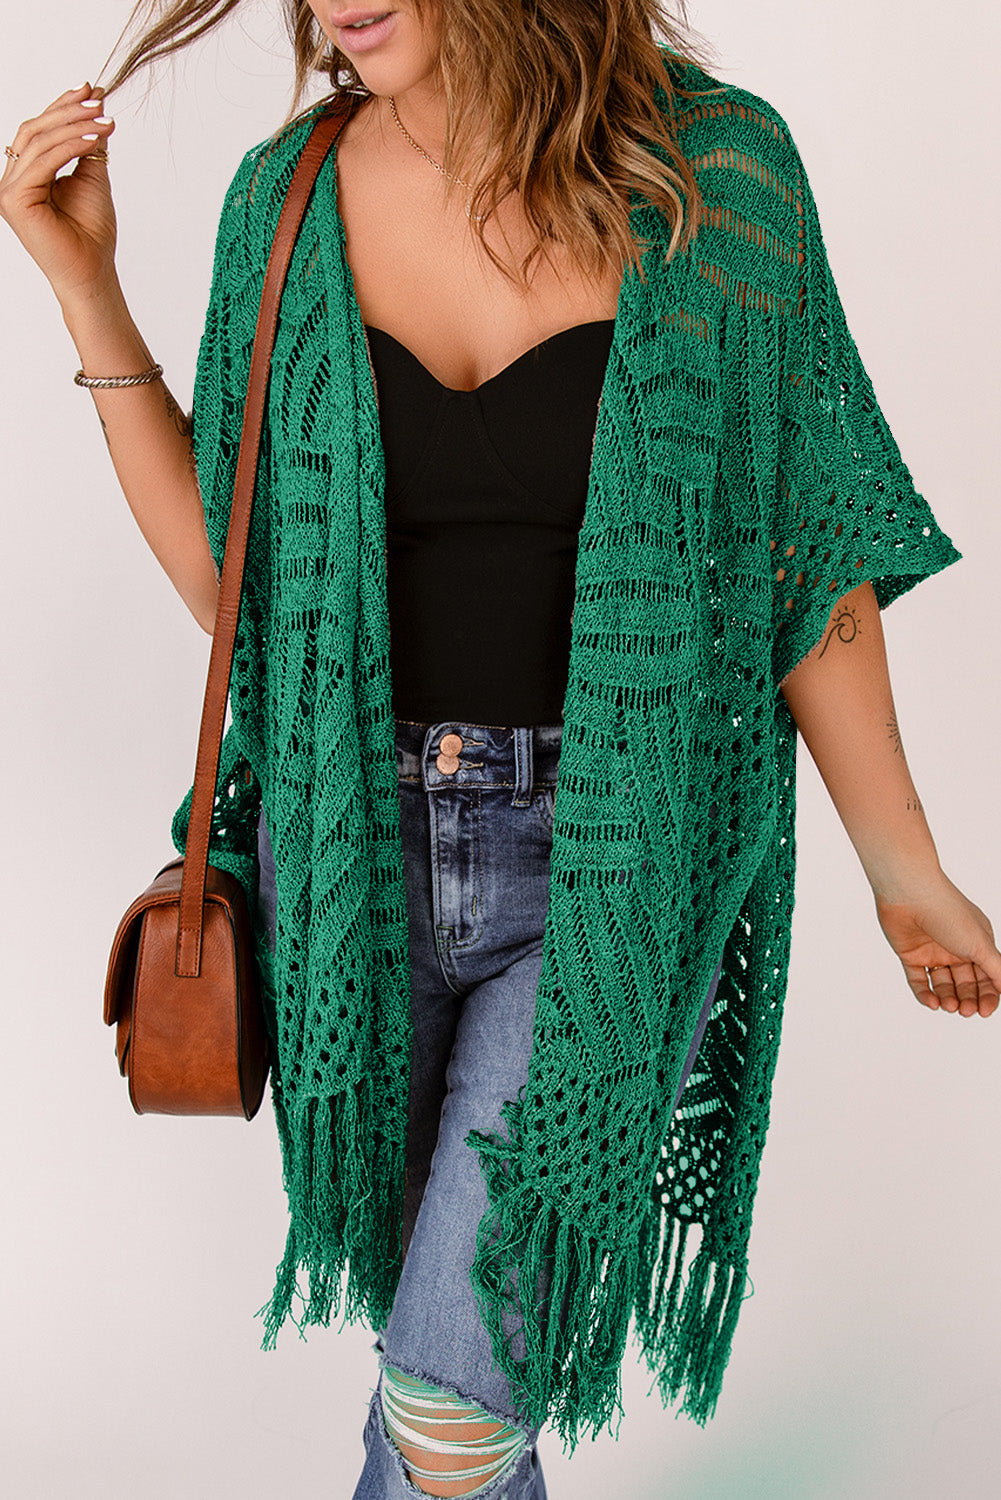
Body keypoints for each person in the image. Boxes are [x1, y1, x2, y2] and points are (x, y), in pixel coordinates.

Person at [3, 4, 999, 1498]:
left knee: (453, 1407)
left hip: (617, 868)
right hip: (351, 864)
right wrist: (84, 286)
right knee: (445, 1382)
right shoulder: (289, 198)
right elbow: (238, 591)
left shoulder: (717, 179)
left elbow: (803, 568)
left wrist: (903, 871)